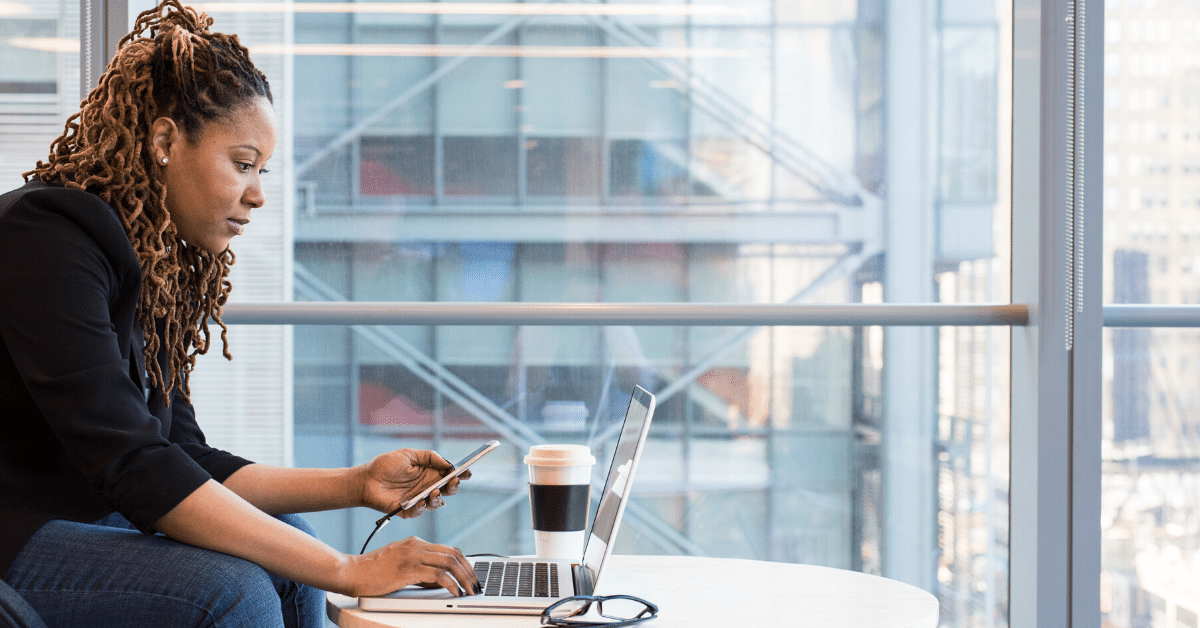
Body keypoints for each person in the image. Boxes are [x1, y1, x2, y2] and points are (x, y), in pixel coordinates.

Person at [0, 2, 480, 626]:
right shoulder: (48, 236)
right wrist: (344, 568)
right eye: (243, 163)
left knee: (285, 544)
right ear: (166, 140)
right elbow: (135, 469)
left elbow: (180, 455)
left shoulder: (149, 259)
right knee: (233, 590)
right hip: (15, 534)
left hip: (79, 520)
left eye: (263, 170)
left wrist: (357, 484)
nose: (258, 193)